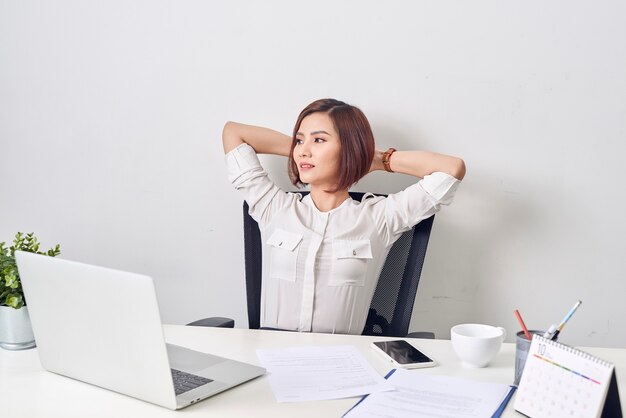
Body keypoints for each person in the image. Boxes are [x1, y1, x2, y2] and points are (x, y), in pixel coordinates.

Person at [222, 98, 465, 335]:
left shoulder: (380, 218)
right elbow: (233, 133)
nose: (303, 150)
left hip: (343, 363)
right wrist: (304, 150)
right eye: (299, 140)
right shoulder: (273, 207)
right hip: (274, 358)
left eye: (319, 139)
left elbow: (452, 169)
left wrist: (377, 159)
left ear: (349, 148)